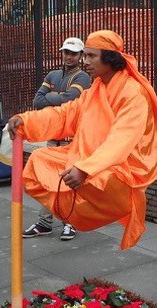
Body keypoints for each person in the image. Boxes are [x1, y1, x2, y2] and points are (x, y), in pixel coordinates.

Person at [8, 30, 157, 250]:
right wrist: (25, 121)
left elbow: (122, 139)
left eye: (91, 56)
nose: (85, 62)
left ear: (110, 58)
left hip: (124, 167)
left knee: (97, 178)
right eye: (85, 56)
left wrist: (85, 168)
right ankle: (71, 217)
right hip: (91, 157)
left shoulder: (133, 93)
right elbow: (65, 114)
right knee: (40, 158)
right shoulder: (96, 88)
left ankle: (77, 217)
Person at [22, 36, 91, 241]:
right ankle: (45, 223)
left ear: (80, 56)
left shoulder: (83, 77)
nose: (69, 56)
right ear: (62, 53)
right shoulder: (53, 74)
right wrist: (59, 98)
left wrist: (52, 98)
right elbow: (37, 100)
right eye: (66, 52)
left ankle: (69, 222)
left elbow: (70, 100)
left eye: (74, 53)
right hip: (53, 138)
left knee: (67, 183)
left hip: (72, 140)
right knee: (46, 181)